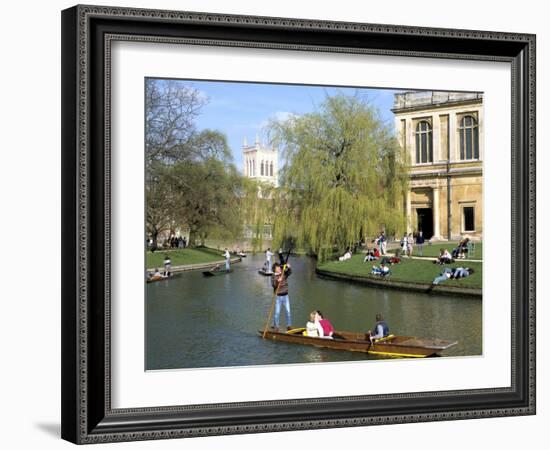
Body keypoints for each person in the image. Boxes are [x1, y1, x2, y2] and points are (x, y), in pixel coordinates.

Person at [271, 262, 292, 331]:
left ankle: (288, 326)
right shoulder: (273, 276)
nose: (279, 269)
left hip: (286, 296)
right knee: (277, 313)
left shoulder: (283, 273)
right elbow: (273, 285)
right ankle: (276, 327)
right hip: (278, 297)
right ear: (275, 270)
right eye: (277, 268)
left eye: (279, 268)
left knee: (288, 311)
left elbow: (289, 272)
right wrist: (277, 281)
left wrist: (289, 267)